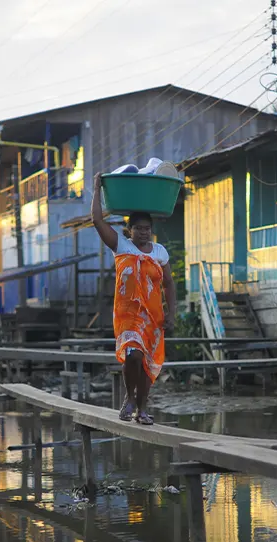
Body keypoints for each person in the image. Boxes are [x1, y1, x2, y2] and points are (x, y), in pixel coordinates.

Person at [91, 173, 176, 425]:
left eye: (147, 229)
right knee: (133, 355)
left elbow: (169, 284)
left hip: (153, 316)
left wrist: (172, 313)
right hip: (128, 315)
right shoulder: (122, 245)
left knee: (148, 366)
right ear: (130, 230)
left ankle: (142, 409)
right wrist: (97, 188)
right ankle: (129, 397)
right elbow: (96, 220)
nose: (143, 233)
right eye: (138, 228)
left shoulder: (160, 252)